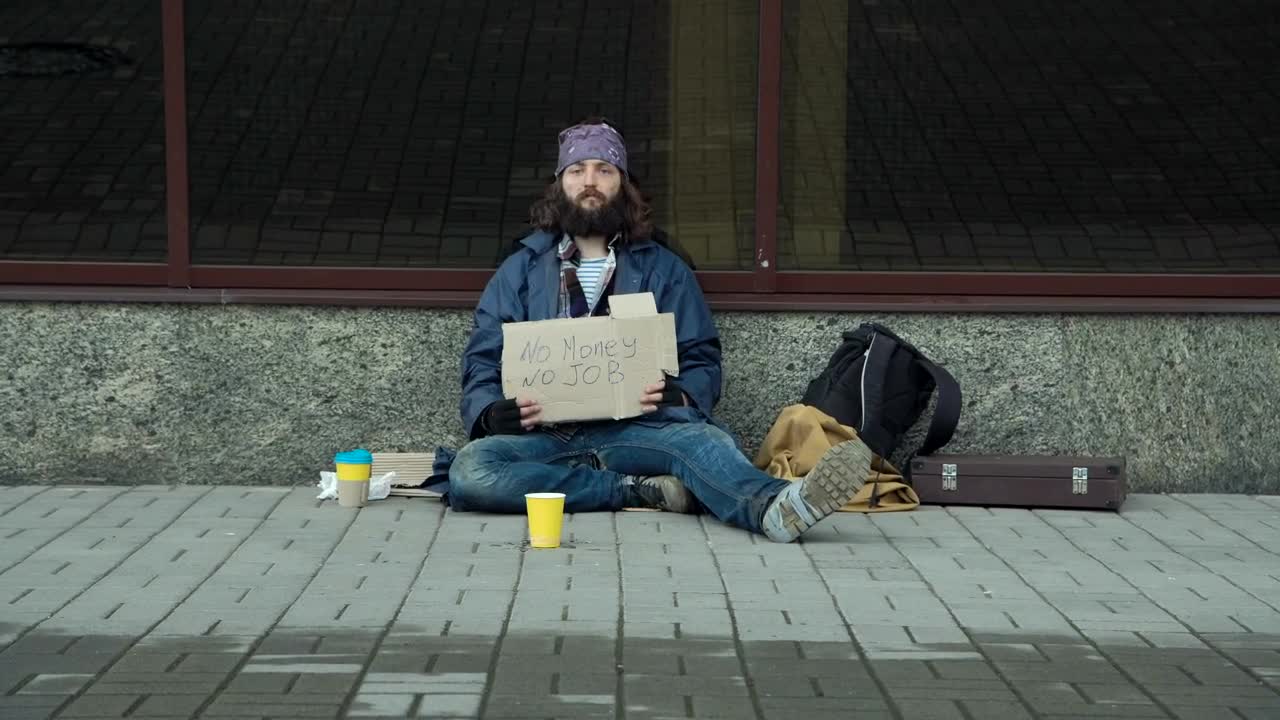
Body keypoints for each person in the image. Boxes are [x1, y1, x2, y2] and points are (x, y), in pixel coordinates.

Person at [448, 117, 873, 542]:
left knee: (706, 443)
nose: (590, 181)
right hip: (545, 437)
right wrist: (490, 412)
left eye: (604, 170)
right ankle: (635, 490)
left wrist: (681, 394)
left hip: (638, 431)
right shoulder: (519, 270)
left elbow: (701, 355)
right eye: (576, 170)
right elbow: (483, 357)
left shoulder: (664, 267)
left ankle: (776, 508)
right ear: (560, 185)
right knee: (470, 470)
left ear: (623, 184)